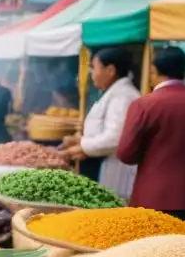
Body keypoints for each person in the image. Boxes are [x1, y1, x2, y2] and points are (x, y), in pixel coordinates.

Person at [117, 46, 185, 226]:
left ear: (153, 71)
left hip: (153, 196)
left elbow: (126, 153)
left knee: (157, 252)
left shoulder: (143, 105)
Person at [59, 47, 140, 200]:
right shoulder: (112, 93)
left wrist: (81, 146)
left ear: (110, 70)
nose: (91, 73)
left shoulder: (123, 96)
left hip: (115, 172)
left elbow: (115, 138)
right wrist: (79, 140)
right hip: (101, 166)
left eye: (94, 68)